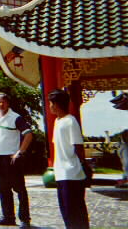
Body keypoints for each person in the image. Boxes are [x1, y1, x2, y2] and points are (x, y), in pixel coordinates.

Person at [0, 92, 33, 228]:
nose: (1, 104)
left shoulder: (16, 118)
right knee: (3, 189)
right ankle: (8, 217)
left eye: (3, 101)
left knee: (20, 190)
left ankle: (25, 219)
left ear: (8, 103)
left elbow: (28, 134)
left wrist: (20, 152)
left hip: (12, 158)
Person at [48, 89, 89, 229]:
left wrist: (83, 166)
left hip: (72, 173)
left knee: (75, 211)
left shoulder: (71, 121)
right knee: (66, 211)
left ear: (57, 104)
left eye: (51, 103)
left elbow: (78, 147)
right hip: (61, 173)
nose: (50, 106)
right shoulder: (57, 122)